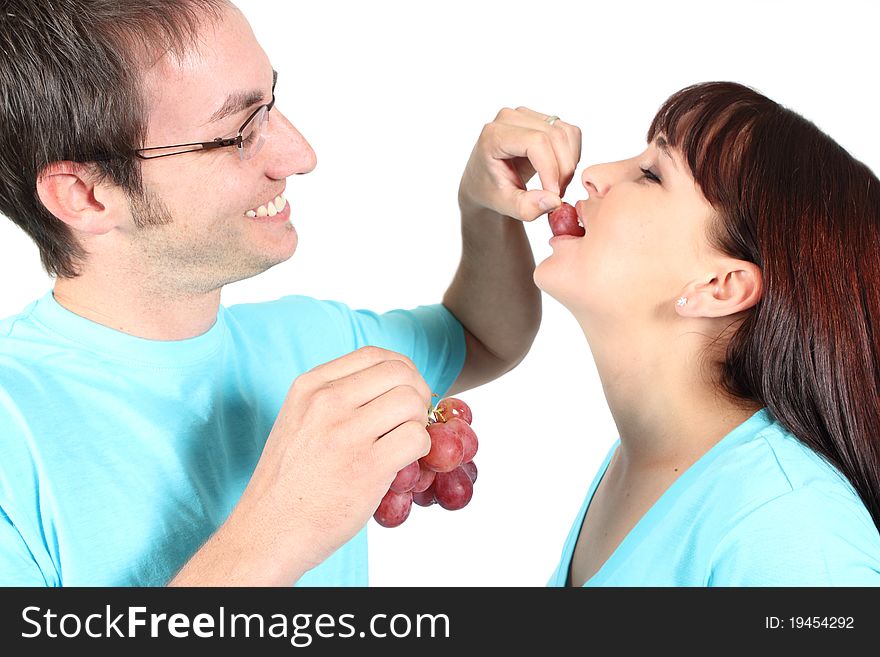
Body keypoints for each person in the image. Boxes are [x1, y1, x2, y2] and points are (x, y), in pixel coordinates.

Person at [0, 0, 579, 586]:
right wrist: (283, 526)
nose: (300, 156)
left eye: (270, 104)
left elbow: (482, 336)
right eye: (238, 132)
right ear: (86, 196)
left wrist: (485, 207)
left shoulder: (317, 342)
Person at [538, 81, 880, 586]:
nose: (594, 175)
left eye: (652, 174)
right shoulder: (646, 460)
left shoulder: (790, 531)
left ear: (720, 286)